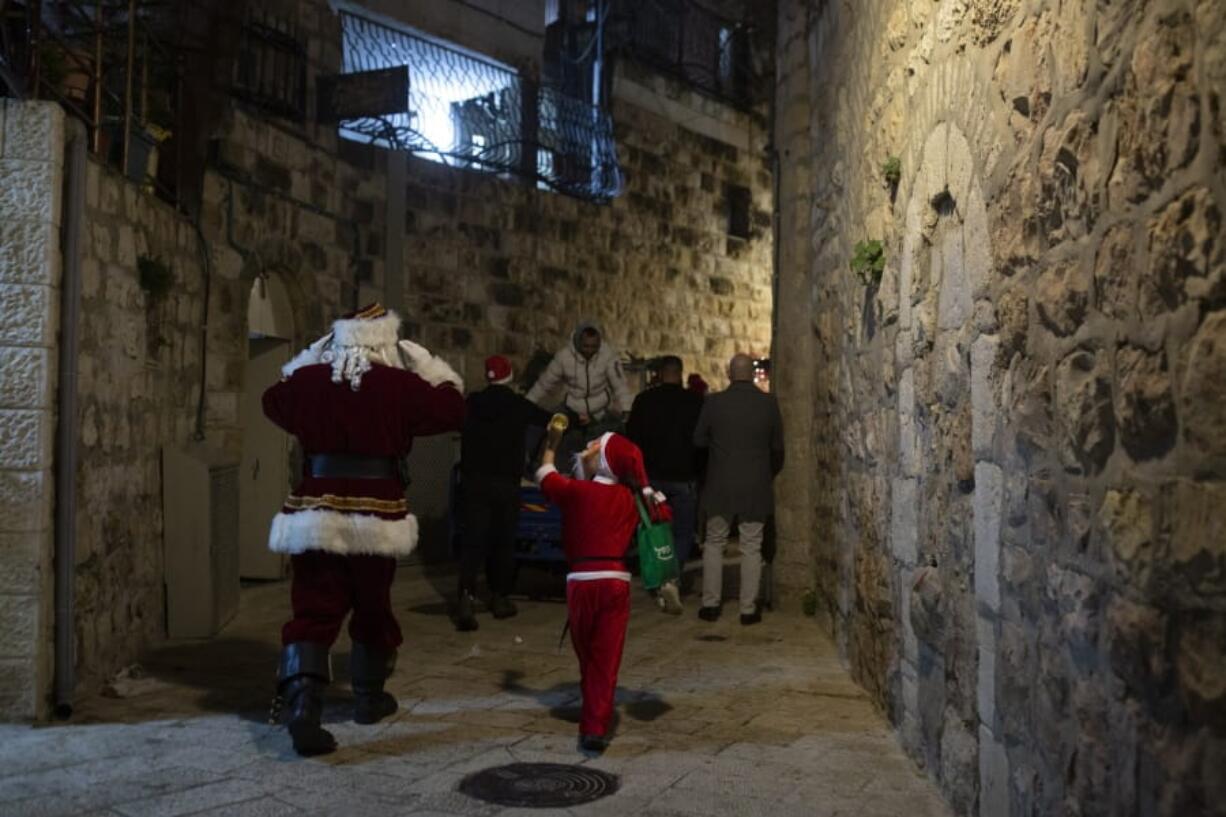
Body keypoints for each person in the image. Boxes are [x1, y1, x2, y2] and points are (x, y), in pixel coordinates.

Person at [262, 303, 465, 756]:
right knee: (373, 604)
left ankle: (302, 707)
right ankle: (369, 698)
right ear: (385, 342)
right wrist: (428, 364)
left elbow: (274, 399)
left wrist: (308, 360)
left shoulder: (311, 382)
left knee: (314, 606)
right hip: (378, 508)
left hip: (317, 505)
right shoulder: (401, 385)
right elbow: (453, 408)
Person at [536, 426, 669, 754]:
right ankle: (595, 721)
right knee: (606, 659)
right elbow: (662, 514)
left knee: (588, 655)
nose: (587, 448)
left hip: (581, 582)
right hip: (615, 581)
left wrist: (552, 443)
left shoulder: (577, 491)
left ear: (605, 461)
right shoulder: (628, 497)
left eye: (595, 446)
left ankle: (593, 719)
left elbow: (545, 475)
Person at [456, 354, 551, 631]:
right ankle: (499, 597)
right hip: (506, 483)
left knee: (473, 541)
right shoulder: (518, 405)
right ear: (510, 375)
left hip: (474, 481)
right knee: (503, 541)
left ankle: (466, 596)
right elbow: (550, 421)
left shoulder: (472, 403)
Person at [692, 353, 784, 626]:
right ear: (751, 373)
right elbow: (778, 449)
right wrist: (766, 474)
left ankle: (710, 605)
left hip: (719, 484)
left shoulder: (713, 403)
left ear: (729, 372)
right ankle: (747, 609)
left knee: (714, 544)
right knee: (751, 546)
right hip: (755, 485)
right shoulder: (769, 404)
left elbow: (698, 441)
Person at [626, 355, 704, 601]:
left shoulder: (644, 401)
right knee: (682, 532)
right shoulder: (695, 402)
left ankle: (655, 577)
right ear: (680, 373)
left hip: (651, 478)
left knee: (652, 530)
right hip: (683, 477)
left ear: (659, 374)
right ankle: (672, 577)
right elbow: (702, 442)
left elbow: (632, 439)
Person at [526, 321, 633, 430]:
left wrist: (626, 409)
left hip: (600, 412)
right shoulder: (563, 357)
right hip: (572, 411)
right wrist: (526, 404)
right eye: (586, 346)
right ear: (578, 342)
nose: (590, 351)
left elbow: (620, 385)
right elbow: (544, 384)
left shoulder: (609, 356)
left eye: (594, 346)